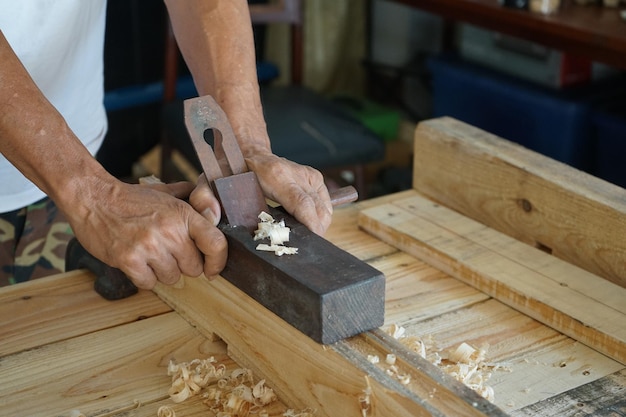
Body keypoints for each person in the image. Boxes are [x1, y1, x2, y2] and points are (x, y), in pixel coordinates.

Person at [0, 0, 333, 288]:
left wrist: (244, 146)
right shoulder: (84, 194)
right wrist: (89, 196)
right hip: (70, 179)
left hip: (68, 165)